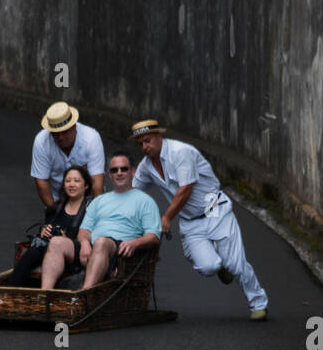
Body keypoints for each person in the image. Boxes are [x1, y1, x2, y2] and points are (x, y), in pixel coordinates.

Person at [130, 118, 269, 320]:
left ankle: (258, 304)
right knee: (208, 266)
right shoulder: (146, 167)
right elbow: (134, 194)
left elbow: (186, 189)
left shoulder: (181, 152)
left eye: (148, 140)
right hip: (190, 220)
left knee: (236, 264)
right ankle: (221, 267)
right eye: (140, 143)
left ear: (159, 136)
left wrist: (167, 217)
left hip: (215, 210)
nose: (144, 147)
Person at [77, 153, 162, 289]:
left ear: (133, 172)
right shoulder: (99, 200)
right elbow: (84, 230)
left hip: (118, 250)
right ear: (109, 174)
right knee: (58, 243)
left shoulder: (145, 201)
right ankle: (44, 296)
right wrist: (85, 243)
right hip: (90, 248)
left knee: (101, 242)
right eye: (114, 170)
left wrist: (135, 242)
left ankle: (84, 296)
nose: (119, 173)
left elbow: (153, 237)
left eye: (124, 169)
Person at [10, 165, 93, 290]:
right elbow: (48, 227)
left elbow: (91, 235)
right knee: (34, 250)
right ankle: (10, 289)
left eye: (76, 181)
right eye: (68, 181)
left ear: (86, 185)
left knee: (46, 248)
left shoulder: (91, 207)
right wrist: (44, 231)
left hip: (76, 253)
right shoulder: (57, 206)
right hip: (51, 249)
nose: (71, 184)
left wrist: (67, 239)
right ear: (64, 185)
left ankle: (12, 289)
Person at [30, 101, 105, 211]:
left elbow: (97, 184)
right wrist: (53, 211)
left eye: (64, 132)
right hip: (57, 199)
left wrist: (97, 215)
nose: (60, 137)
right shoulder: (41, 141)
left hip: (87, 200)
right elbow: (41, 180)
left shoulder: (91, 138)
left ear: (74, 126)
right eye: (55, 133)